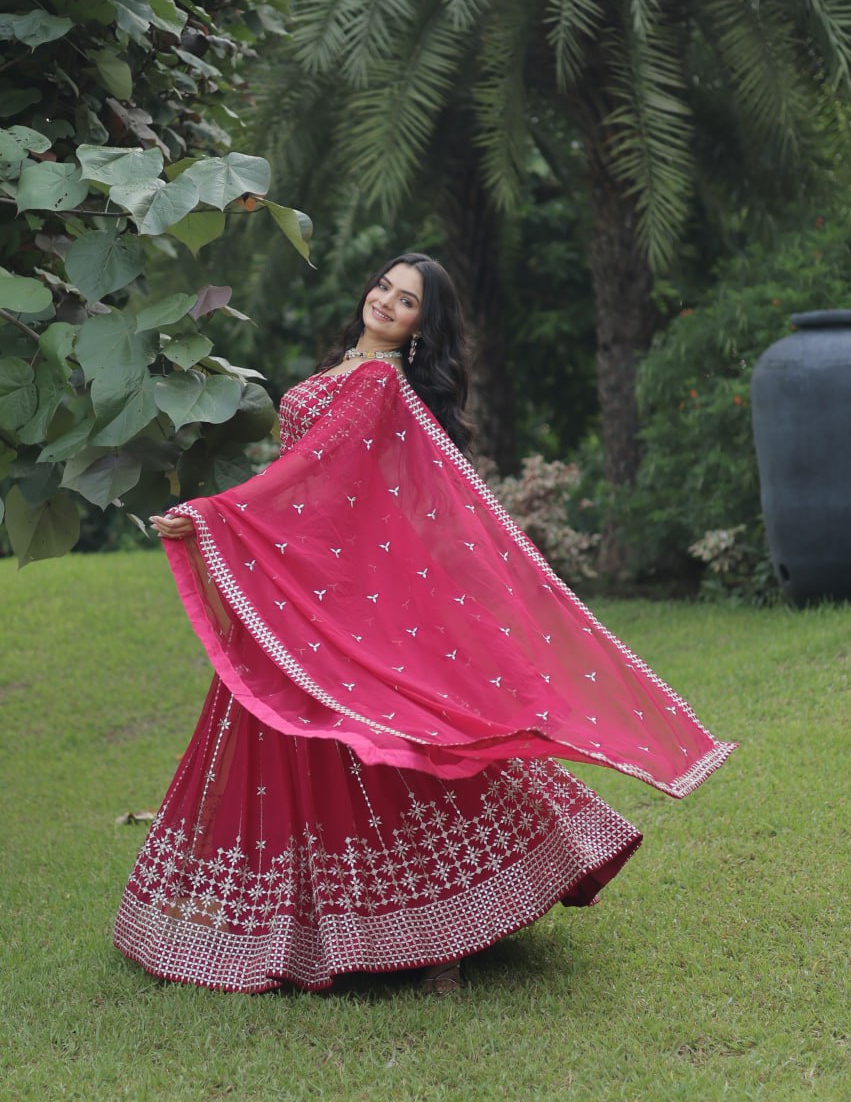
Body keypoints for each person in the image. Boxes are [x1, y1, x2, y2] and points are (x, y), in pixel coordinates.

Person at [115, 252, 736, 994]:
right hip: (304, 585)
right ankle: (372, 925)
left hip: (339, 594)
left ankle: (440, 930)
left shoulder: (379, 382)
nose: (384, 300)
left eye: (405, 300)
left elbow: (309, 474)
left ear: (421, 326)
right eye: (382, 285)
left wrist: (214, 515)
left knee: (387, 750)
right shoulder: (350, 370)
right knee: (324, 751)